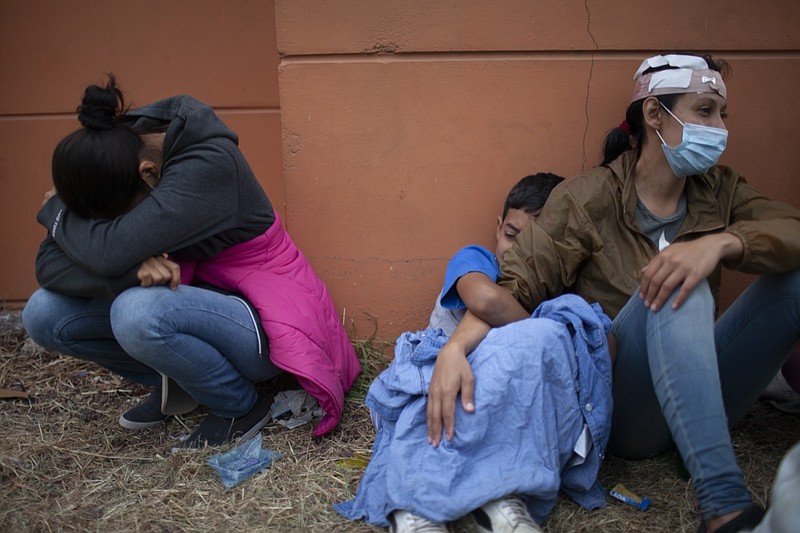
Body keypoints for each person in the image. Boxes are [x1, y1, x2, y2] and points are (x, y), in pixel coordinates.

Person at [426, 54, 800, 533]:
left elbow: (791, 228)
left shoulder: (721, 191)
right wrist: (455, 348)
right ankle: (724, 506)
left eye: (722, 114)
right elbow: (512, 284)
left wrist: (722, 242)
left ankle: (704, 449)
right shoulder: (589, 198)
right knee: (673, 283)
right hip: (630, 412)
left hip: (708, 393)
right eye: (705, 111)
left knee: (793, 281)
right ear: (654, 115)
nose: (720, 127)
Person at [22, 75, 361, 448]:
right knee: (44, 312)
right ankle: (185, 381)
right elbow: (48, 264)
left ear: (149, 174)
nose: (113, 228)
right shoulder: (118, 154)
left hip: (259, 317)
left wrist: (54, 210)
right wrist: (131, 270)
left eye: (117, 220)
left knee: (136, 312)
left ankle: (238, 404)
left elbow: (107, 251)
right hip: (190, 299)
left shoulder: (207, 168)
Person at [337, 173, 616, 532]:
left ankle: (500, 498)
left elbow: (601, 347)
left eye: (532, 243)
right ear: (498, 226)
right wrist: (545, 334)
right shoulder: (479, 260)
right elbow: (485, 299)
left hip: (508, 411)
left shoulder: (558, 290)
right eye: (512, 235)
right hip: (446, 391)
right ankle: (420, 506)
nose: (516, 251)